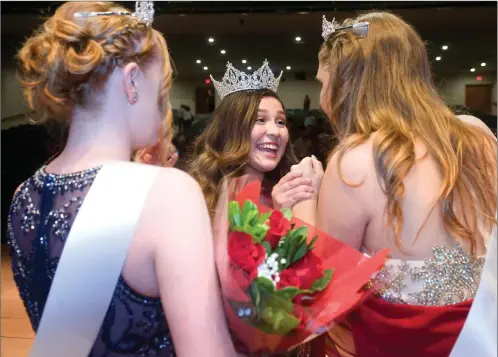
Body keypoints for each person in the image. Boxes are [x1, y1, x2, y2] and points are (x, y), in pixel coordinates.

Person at [7, 2, 239, 356]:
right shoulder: (168, 194)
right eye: (161, 92)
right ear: (132, 81)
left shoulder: (23, 196)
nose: (164, 109)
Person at [295, 12, 497, 357]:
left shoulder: (356, 162)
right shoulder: (477, 137)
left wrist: (304, 199)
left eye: (323, 83)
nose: (324, 99)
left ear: (348, 85)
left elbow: (325, 287)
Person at [187, 60, 320, 221]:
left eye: (280, 122)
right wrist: (279, 218)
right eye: (260, 119)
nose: (275, 131)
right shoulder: (202, 200)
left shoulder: (288, 193)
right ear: (232, 129)